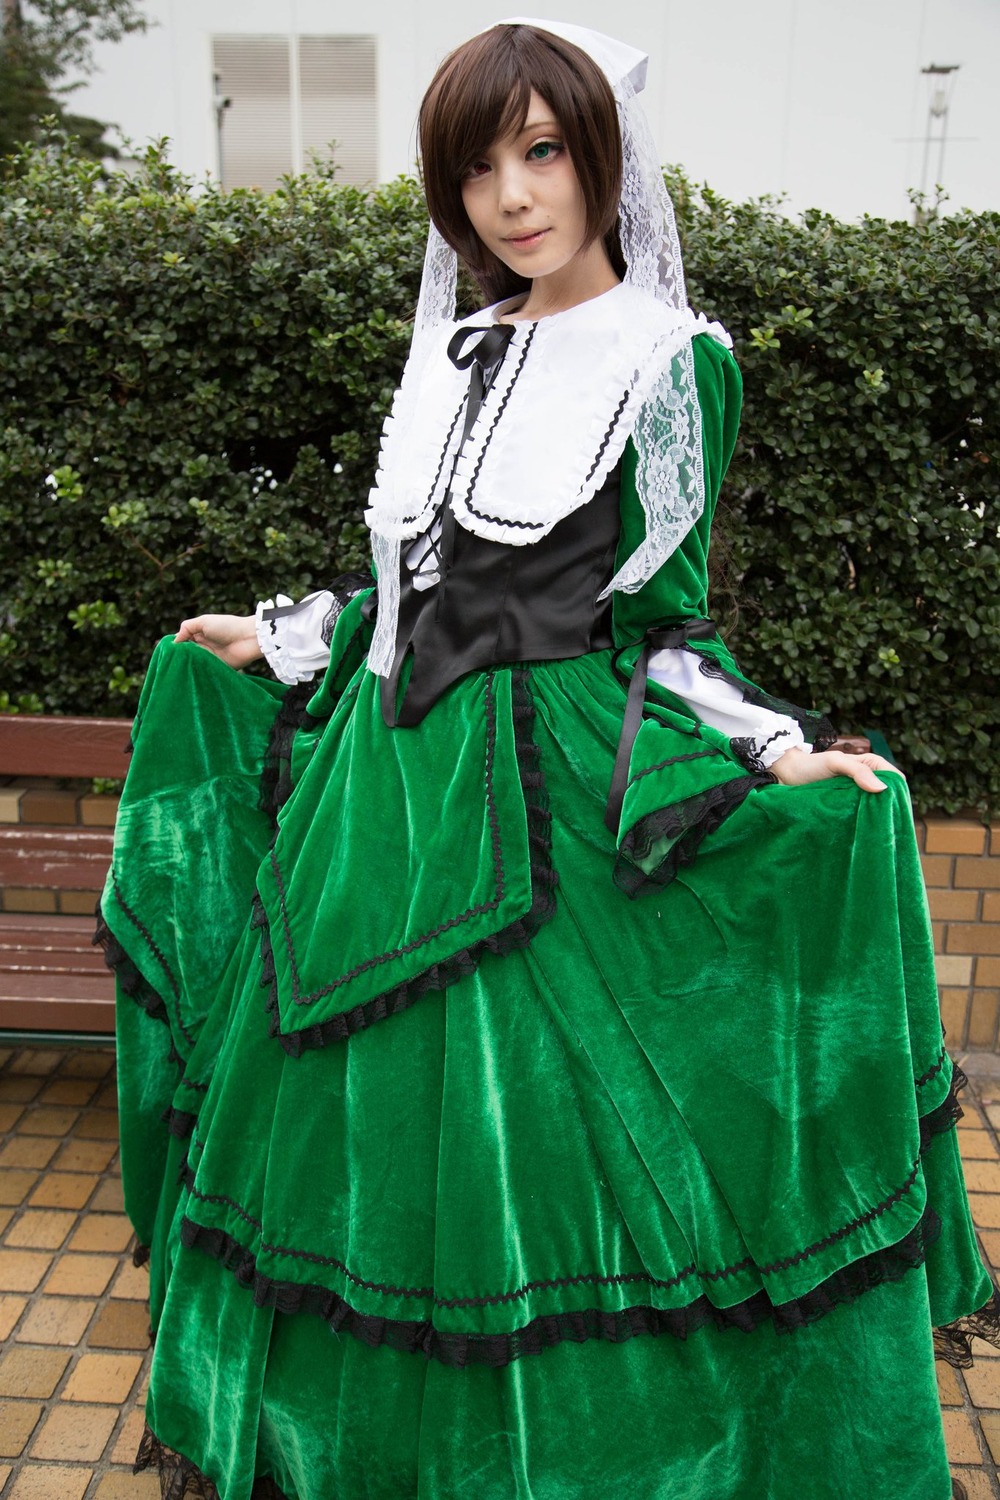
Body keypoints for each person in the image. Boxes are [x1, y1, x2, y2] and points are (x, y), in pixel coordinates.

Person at [100, 19, 995, 1500]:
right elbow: (415, 577)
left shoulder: (671, 362)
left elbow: (666, 625)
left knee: (542, 1165)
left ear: (601, 158)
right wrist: (296, 635)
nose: (512, 197)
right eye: (477, 167)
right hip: (377, 796)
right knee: (351, 1133)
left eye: (544, 152)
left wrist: (776, 753)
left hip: (542, 799)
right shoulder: (461, 345)